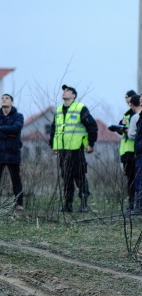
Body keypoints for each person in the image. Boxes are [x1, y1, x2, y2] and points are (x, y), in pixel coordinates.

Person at [50, 85, 98, 213]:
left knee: (80, 176)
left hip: (76, 149)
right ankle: (68, 204)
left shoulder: (80, 108)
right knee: (66, 177)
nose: (64, 92)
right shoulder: (59, 110)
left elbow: (92, 126)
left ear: (73, 95)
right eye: (63, 90)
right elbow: (54, 129)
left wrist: (91, 143)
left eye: (67, 91)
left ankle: (84, 204)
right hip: (63, 150)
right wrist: (53, 146)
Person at [110, 90, 138, 209]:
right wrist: (119, 128)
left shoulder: (138, 115)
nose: (128, 103)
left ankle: (139, 203)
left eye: (130, 101)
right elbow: (121, 130)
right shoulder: (126, 115)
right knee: (130, 179)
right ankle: (131, 203)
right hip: (126, 152)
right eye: (127, 101)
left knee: (136, 178)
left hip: (135, 151)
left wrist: (126, 130)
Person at [0, 94, 24, 210]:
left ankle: (19, 203)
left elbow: (16, 129)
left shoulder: (18, 116)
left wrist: (1, 129)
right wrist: (8, 132)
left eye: (7, 98)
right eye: (2, 98)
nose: (4, 99)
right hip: (0, 151)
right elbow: (12, 130)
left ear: (12, 103)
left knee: (16, 179)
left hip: (13, 151)